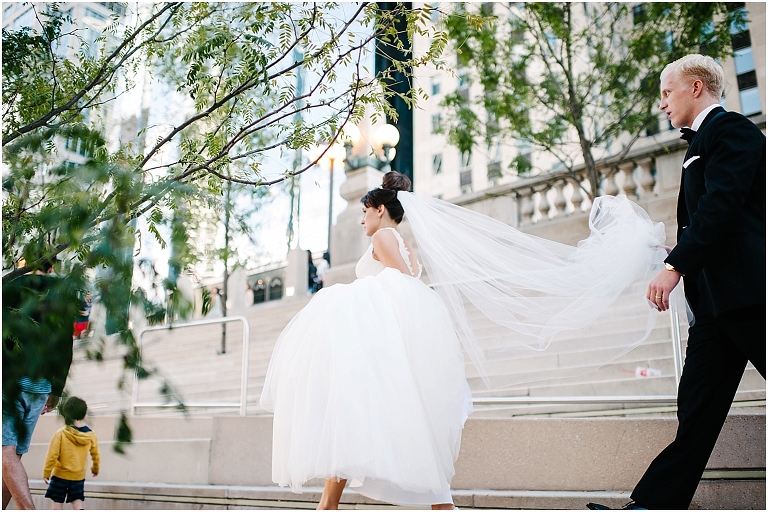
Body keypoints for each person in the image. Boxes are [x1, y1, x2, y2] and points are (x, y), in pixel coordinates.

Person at [587, 54, 765, 510]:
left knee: (697, 410)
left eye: (667, 92)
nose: (663, 103)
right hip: (714, 307)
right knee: (696, 412)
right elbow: (712, 221)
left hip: (749, 295)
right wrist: (674, 253)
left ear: (696, 88)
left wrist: (675, 267)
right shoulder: (700, 142)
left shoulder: (733, 130)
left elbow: (722, 207)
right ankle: (652, 505)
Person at [262, 172, 470, 509]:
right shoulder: (405, 243)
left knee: (348, 414)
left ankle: (329, 505)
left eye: (364, 211)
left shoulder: (384, 237)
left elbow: (401, 285)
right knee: (351, 419)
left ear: (379, 210)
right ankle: (330, 505)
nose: (361, 220)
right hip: (389, 341)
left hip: (376, 342)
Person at [3, 258, 78, 510]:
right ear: (52, 267)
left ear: (25, 261)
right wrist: (56, 390)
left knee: (6, 454)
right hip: (41, 386)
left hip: (9, 382)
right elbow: (65, 346)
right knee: (12, 456)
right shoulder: (63, 294)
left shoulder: (11, 288)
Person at [43, 397, 100, 510]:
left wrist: (46, 472)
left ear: (65, 415)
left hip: (60, 475)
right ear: (84, 415)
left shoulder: (61, 434)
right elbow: (95, 454)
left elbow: (52, 455)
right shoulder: (90, 435)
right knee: (77, 501)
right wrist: (95, 468)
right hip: (78, 476)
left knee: (57, 501)